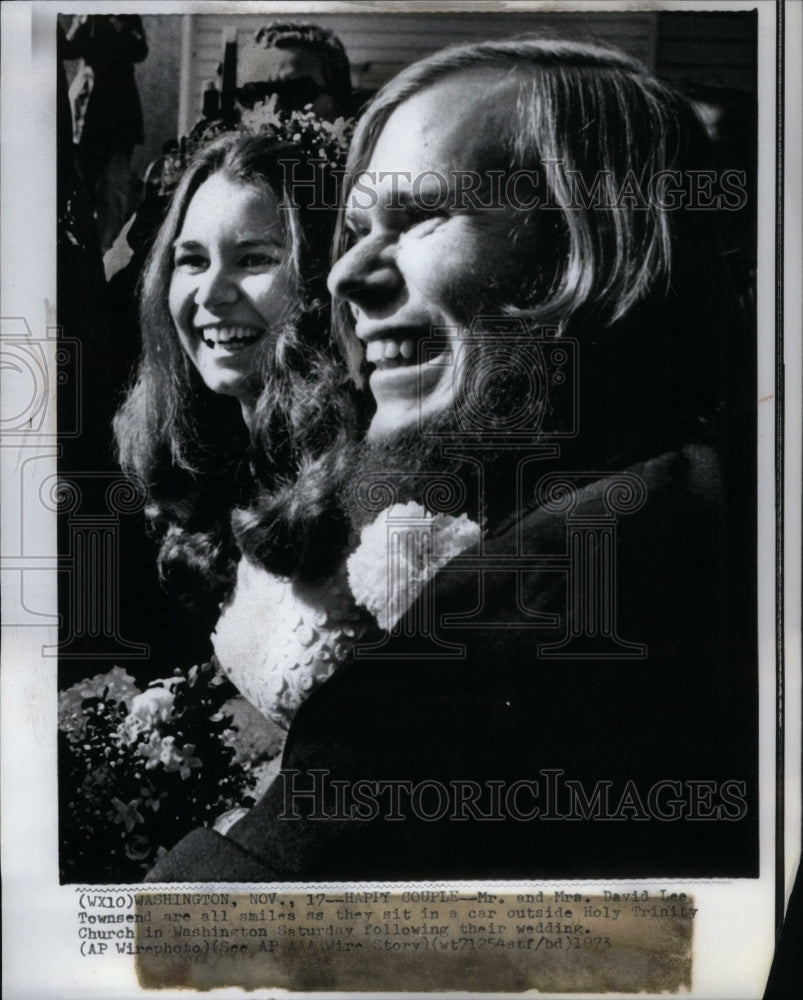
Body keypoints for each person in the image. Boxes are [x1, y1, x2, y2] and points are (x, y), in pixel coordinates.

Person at [147, 37, 756, 882]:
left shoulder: (545, 583)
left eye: (421, 216)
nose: (345, 275)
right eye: (355, 229)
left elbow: (196, 940)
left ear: (596, 242)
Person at [113, 133, 365, 727]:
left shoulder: (368, 482)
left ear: (320, 278)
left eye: (254, 259)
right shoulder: (232, 458)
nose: (211, 292)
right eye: (192, 260)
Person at [63, 13, 148, 252]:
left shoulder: (128, 16)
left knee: (113, 194)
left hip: (119, 118)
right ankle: (80, 256)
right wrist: (82, 22)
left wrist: (116, 27)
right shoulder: (87, 14)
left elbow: (140, 51)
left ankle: (106, 258)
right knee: (80, 193)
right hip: (87, 115)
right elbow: (68, 49)